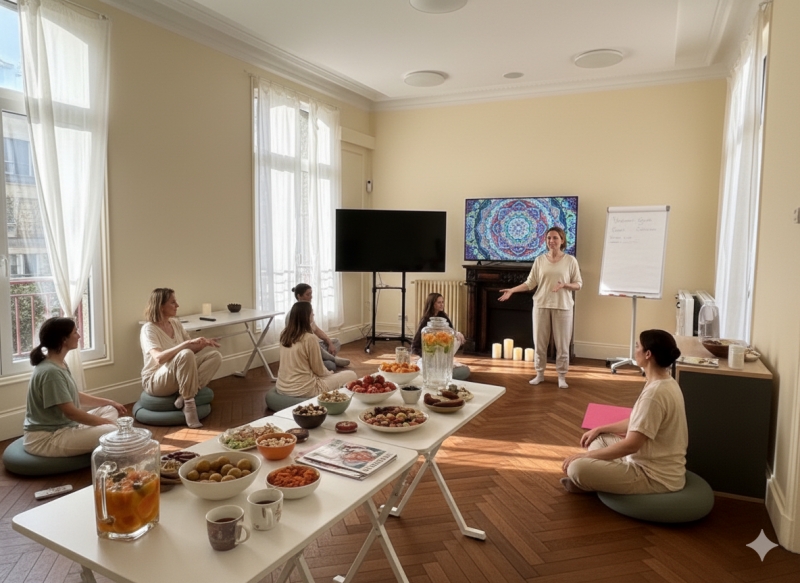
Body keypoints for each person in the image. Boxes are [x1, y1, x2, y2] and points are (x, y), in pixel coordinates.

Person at [561, 329, 687, 495]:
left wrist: (584, 457)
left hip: (653, 476)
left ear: (648, 354)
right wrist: (599, 429)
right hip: (643, 459)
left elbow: (631, 445)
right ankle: (601, 477)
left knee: (576, 468)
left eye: (637, 346)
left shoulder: (655, 394)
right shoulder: (665, 381)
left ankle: (592, 481)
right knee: (598, 438)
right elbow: (636, 421)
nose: (635, 350)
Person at [23, 317, 128, 457]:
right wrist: (106, 424)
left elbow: (73, 395)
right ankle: (113, 437)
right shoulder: (51, 372)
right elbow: (71, 413)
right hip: (47, 438)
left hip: (67, 426)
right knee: (111, 430)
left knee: (109, 409)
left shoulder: (58, 364)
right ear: (63, 339)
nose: (79, 336)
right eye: (75, 332)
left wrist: (110, 402)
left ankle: (112, 437)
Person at [498, 226, 582, 388]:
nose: (551, 241)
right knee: (540, 343)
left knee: (563, 345)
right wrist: (512, 290)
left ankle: (562, 376)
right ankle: (540, 374)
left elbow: (578, 284)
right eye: (549, 238)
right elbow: (530, 283)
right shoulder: (539, 260)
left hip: (563, 307)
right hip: (541, 305)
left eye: (555, 237)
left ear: (562, 240)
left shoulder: (570, 261)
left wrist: (564, 285)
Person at [140, 288, 222, 428]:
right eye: (173, 302)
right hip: (156, 380)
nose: (177, 305)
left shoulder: (175, 323)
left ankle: (184, 396)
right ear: (161, 306)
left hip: (179, 374)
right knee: (185, 353)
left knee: (215, 356)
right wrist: (185, 344)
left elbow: (189, 353)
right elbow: (159, 358)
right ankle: (189, 405)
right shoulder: (149, 329)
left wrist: (202, 344)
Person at [277, 302, 357, 398]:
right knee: (351, 374)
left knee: (327, 369)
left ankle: (334, 362)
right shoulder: (309, 338)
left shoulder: (284, 334)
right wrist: (329, 374)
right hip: (305, 390)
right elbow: (318, 370)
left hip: (281, 387)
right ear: (306, 317)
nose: (313, 314)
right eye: (312, 313)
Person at [291, 283, 349, 370]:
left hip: (314, 346)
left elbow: (316, 330)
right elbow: (305, 343)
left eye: (311, 294)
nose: (311, 297)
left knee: (335, 342)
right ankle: (332, 360)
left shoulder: (308, 310)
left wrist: (329, 343)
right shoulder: (295, 313)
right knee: (331, 365)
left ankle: (326, 359)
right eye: (308, 294)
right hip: (305, 350)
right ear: (299, 296)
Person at [410, 292, 466, 357]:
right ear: (432, 304)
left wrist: (457, 333)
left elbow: (451, 330)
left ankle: (445, 358)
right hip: (430, 347)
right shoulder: (425, 320)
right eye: (439, 302)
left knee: (457, 338)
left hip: (441, 344)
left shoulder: (443, 316)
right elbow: (416, 343)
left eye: (442, 302)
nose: (442, 304)